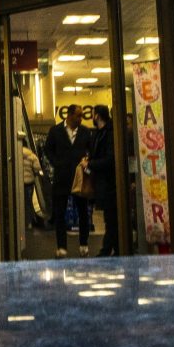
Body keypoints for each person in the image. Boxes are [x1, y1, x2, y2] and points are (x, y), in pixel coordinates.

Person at [44, 103, 92, 257]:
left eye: (82, 115)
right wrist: (55, 162)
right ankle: (61, 246)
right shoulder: (56, 131)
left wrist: (87, 161)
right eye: (78, 115)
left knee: (83, 211)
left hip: (79, 178)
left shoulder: (85, 132)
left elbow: (91, 149)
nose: (81, 118)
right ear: (69, 115)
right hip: (61, 177)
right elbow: (47, 149)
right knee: (60, 212)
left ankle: (84, 243)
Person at [86, 104, 120, 256]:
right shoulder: (103, 133)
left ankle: (107, 249)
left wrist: (90, 164)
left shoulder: (107, 134)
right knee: (110, 218)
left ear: (97, 115)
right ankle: (116, 248)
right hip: (104, 182)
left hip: (108, 183)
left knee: (111, 218)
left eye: (93, 113)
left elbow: (109, 159)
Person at [20, 142, 47, 229]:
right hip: (29, 183)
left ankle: (20, 221)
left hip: (18, 183)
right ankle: (29, 223)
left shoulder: (16, 153)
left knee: (19, 202)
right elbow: (37, 168)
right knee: (28, 203)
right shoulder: (32, 156)